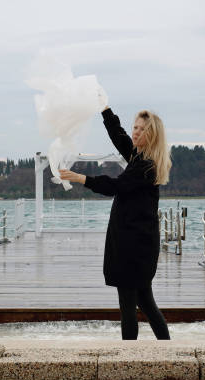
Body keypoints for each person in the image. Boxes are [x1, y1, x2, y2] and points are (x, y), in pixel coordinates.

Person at [59, 105, 172, 340]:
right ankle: (166, 350)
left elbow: (115, 186)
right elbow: (119, 137)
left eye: (142, 130)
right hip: (136, 242)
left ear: (152, 135)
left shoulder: (145, 165)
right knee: (145, 302)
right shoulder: (138, 157)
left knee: (129, 305)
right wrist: (105, 110)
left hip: (135, 246)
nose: (136, 133)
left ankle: (130, 357)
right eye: (136, 127)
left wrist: (81, 178)